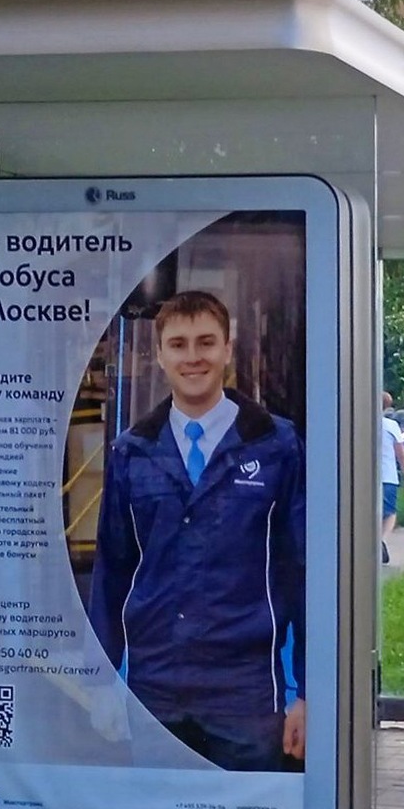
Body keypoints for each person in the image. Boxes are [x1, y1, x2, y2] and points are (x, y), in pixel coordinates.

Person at [87, 290, 306, 772]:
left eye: (206, 342)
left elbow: (303, 571)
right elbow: (113, 574)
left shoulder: (276, 445)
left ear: (228, 349)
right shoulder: (132, 452)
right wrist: (101, 682)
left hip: (247, 690)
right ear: (160, 355)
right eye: (179, 344)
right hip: (155, 687)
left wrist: (308, 692)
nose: (193, 357)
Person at [378, 391, 404, 563]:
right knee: (390, 513)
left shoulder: (362, 424)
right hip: (388, 476)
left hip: (365, 479)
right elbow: (401, 454)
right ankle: (382, 540)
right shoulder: (391, 426)